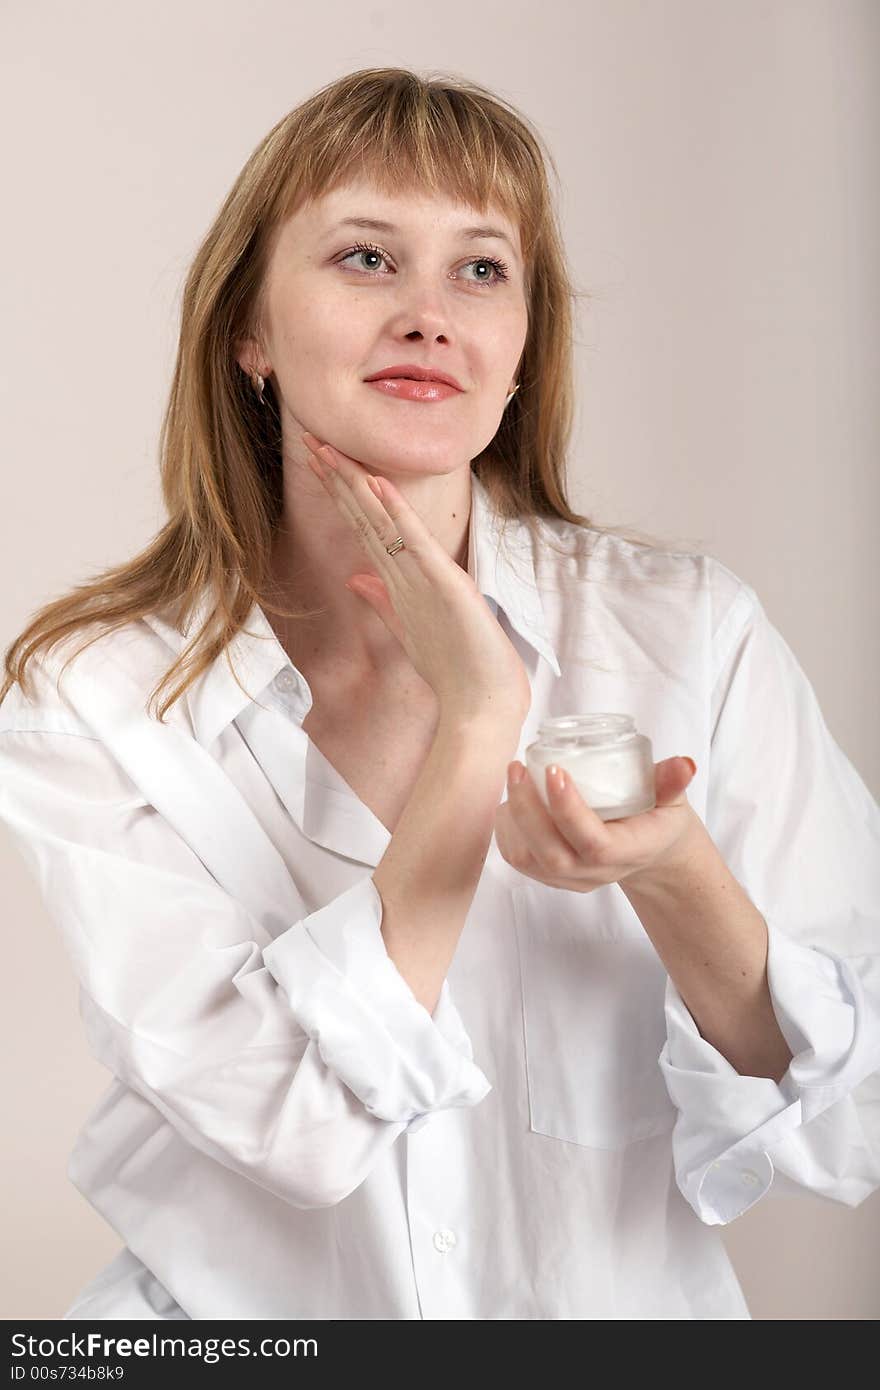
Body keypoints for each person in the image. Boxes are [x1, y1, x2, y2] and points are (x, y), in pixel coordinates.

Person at [1, 67, 879, 1323]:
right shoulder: (93, 692)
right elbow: (285, 1119)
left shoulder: (691, 631)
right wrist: (479, 721)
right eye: (366, 258)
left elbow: (843, 1113)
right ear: (247, 330)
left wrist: (674, 866)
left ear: (522, 349)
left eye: (480, 271)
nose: (429, 317)